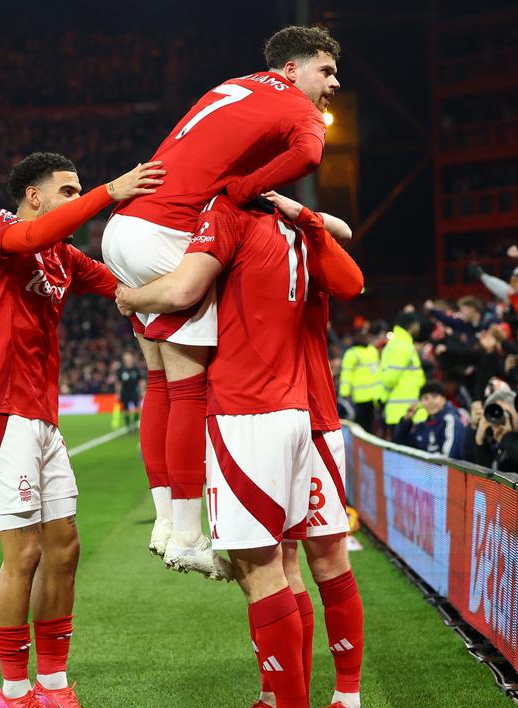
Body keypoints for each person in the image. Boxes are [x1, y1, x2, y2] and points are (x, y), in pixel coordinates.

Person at [101, 25, 340, 576]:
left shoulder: (232, 86)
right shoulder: (295, 107)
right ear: (291, 70)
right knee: (190, 388)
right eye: (324, 71)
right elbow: (307, 154)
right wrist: (244, 187)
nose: (333, 83)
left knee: (159, 380)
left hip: (125, 227)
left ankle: (166, 522)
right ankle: (187, 533)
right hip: (168, 231)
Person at [0, 152, 163, 708]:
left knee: (64, 549)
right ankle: (14, 692)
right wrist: (108, 191)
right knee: (22, 556)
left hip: (40, 417)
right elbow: (40, 233)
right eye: (66, 190)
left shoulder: (62, 257)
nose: (76, 197)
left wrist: (190, 280)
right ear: (34, 196)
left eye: (79, 189)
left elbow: (124, 290)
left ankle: (54, 683)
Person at [114, 193, 326, 708]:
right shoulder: (294, 226)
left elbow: (182, 290)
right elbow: (350, 278)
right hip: (293, 408)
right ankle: (282, 704)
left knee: (259, 572)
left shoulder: (227, 214)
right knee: (283, 563)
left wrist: (131, 297)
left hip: (247, 414)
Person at [214, 192, 366, 708]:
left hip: (314, 418)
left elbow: (350, 281)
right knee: (272, 564)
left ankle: (345, 696)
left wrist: (308, 218)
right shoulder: (232, 229)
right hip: (261, 417)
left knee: (327, 558)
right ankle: (278, 697)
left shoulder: (300, 234)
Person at [379, 311, 427, 434]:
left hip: (400, 411)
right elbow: (390, 379)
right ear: (413, 325)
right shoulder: (402, 346)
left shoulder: (398, 343)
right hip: (404, 413)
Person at [393, 381, 467, 459]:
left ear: (444, 399)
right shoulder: (422, 426)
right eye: (425, 398)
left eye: (434, 396)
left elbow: (449, 458)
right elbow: (401, 444)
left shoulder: (451, 420)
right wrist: (407, 420)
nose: (430, 401)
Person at [339, 328, 382, 433]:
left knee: (362, 426)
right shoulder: (372, 351)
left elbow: (346, 373)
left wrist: (344, 392)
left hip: (360, 396)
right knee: (371, 425)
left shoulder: (352, 353)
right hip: (375, 395)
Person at [115, 350, 145, 430]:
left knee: (137, 408)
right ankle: (128, 426)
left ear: (131, 358)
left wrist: (142, 391)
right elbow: (119, 382)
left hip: (134, 391)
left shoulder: (136, 369)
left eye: (128, 357)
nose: (127, 358)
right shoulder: (121, 370)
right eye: (125, 357)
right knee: (126, 409)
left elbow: (141, 381)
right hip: (125, 392)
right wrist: (117, 393)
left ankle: (135, 424)